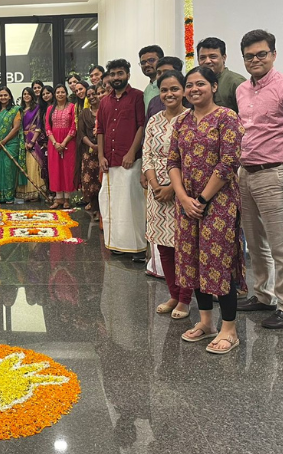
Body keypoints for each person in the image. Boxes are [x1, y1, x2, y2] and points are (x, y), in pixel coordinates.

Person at [167, 66, 247, 354]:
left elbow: (228, 163)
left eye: (200, 84)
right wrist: (183, 197)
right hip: (187, 204)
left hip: (219, 204)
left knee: (218, 262)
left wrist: (200, 199)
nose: (193, 89)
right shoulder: (181, 121)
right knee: (192, 261)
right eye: (189, 85)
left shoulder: (227, 118)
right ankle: (205, 323)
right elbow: (172, 161)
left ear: (214, 86)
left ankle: (229, 329)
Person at [235, 29, 283, 328]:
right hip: (246, 173)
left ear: (273, 54)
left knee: (280, 244)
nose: (255, 60)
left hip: (276, 172)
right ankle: (264, 295)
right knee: (255, 242)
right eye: (249, 56)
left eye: (261, 54)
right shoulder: (241, 89)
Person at [142, 70, 191, 319]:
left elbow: (192, 160)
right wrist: (154, 184)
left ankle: (185, 299)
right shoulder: (155, 120)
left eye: (174, 89)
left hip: (182, 190)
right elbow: (148, 154)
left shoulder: (191, 118)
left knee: (184, 246)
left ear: (184, 90)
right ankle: (173, 294)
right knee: (164, 246)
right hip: (156, 190)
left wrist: (173, 188)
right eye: (164, 90)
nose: (169, 94)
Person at [96, 59, 147, 262]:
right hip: (109, 159)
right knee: (111, 203)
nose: (117, 77)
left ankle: (136, 246)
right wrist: (100, 155)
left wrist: (132, 152)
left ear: (128, 74)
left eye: (120, 73)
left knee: (131, 203)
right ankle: (116, 244)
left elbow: (141, 126)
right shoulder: (104, 102)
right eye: (114, 74)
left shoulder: (137, 97)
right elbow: (100, 130)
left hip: (129, 160)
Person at [0, 86, 24, 204]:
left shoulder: (15, 110)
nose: (3, 97)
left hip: (10, 144)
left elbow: (16, 128)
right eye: (1, 95)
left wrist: (3, 141)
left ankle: (9, 196)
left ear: (9, 96)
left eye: (5, 95)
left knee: (8, 169)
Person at [46, 84, 77, 208]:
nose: (60, 94)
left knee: (67, 169)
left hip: (69, 143)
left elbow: (74, 127)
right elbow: (48, 127)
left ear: (66, 93)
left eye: (62, 92)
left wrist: (64, 143)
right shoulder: (50, 109)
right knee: (55, 169)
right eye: (58, 92)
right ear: (55, 94)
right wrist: (55, 143)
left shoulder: (72, 107)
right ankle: (58, 198)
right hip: (53, 143)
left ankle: (67, 199)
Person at [197, 37, 247, 112]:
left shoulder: (236, 82)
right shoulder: (195, 83)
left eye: (213, 57)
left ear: (224, 58)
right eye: (202, 58)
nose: (207, 61)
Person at [17, 87, 46, 202]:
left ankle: (35, 192)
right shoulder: (20, 109)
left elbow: (39, 126)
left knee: (33, 165)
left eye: (28, 94)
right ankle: (25, 193)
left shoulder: (37, 108)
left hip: (33, 140)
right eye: (24, 94)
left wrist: (32, 141)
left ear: (32, 96)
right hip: (21, 140)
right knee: (25, 166)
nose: (26, 96)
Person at [77, 85, 101, 220]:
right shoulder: (84, 113)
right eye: (89, 95)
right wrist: (92, 145)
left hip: (104, 153)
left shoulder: (105, 111)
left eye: (94, 94)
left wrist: (101, 145)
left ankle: (104, 211)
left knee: (102, 181)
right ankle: (95, 208)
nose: (92, 97)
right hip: (89, 152)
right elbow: (81, 133)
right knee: (90, 182)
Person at [139, 45, 165, 111]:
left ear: (161, 61)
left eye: (151, 60)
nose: (147, 65)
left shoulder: (169, 85)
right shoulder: (147, 90)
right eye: (143, 62)